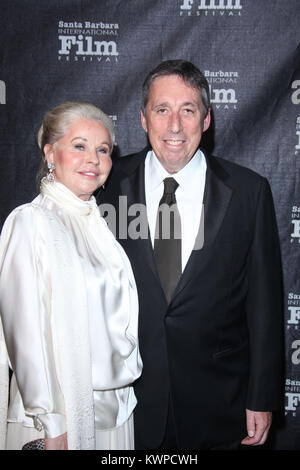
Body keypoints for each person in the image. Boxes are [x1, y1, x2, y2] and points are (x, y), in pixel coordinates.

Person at [99, 60, 283, 450]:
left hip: (219, 401)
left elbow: (265, 304)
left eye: (188, 110)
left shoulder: (249, 192)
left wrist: (262, 395)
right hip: (126, 400)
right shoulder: (105, 184)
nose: (175, 126)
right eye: (162, 110)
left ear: (207, 119)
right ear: (143, 119)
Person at [0, 101, 142, 450]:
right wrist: (51, 423)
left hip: (114, 414)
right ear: (50, 154)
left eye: (103, 150)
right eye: (79, 146)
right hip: (59, 423)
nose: (93, 159)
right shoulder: (31, 222)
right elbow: (25, 336)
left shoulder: (97, 226)